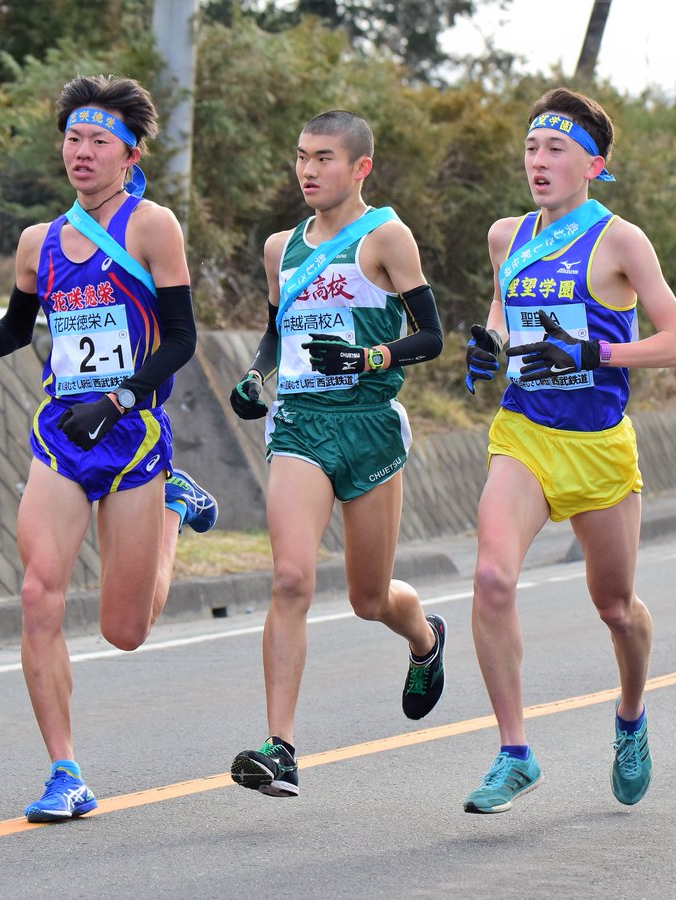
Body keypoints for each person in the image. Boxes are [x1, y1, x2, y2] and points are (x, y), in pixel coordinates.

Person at [0, 74, 218, 823]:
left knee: (124, 632)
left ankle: (171, 511)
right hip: (62, 436)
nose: (82, 152)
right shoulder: (38, 243)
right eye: (73, 138)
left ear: (129, 155)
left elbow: (183, 339)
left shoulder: (151, 227)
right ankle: (66, 772)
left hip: (129, 433)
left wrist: (120, 398)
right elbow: (17, 327)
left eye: (99, 140)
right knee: (38, 595)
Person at [461, 87, 676, 813]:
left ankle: (630, 717)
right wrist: (489, 343)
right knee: (493, 579)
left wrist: (594, 350)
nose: (538, 160)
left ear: (593, 163)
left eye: (555, 148)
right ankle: (514, 752)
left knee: (617, 607)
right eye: (531, 147)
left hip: (597, 447)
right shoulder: (507, 235)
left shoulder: (621, 240)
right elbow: (505, 309)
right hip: (525, 432)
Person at [226, 110, 447, 798]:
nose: (307, 169)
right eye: (300, 156)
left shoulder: (386, 237)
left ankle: (425, 641)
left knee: (368, 597)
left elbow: (432, 336)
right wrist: (254, 375)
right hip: (300, 425)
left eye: (323, 157)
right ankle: (281, 747)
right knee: (291, 578)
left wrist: (369, 354)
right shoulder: (278, 249)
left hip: (370, 426)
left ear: (360, 168)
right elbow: (276, 333)